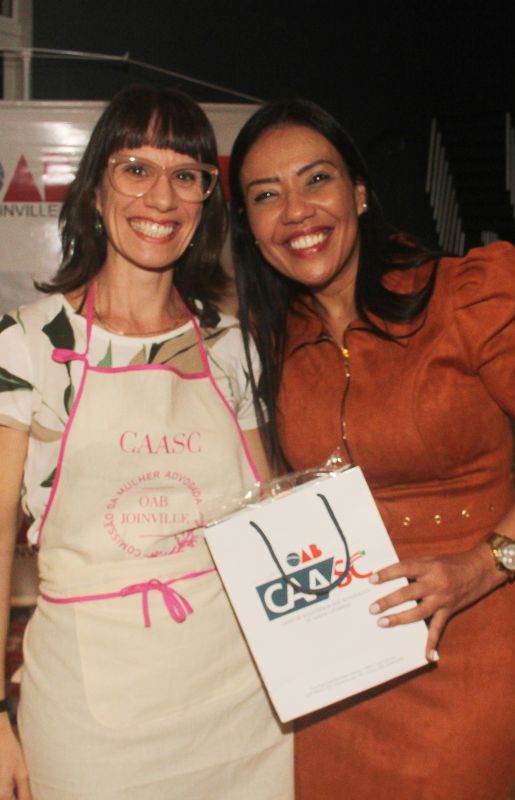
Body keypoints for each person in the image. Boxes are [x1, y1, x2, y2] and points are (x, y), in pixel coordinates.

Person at [228, 96, 515, 800]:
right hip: (337, 658)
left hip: (470, 640)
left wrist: (485, 565)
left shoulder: (463, 297)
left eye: (316, 179)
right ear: (247, 225)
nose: (295, 210)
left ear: (359, 193)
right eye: (266, 195)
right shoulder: (272, 338)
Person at [0, 83, 293, 800]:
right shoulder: (28, 345)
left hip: (244, 702)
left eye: (186, 176)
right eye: (136, 168)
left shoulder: (232, 348)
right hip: (92, 715)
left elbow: (270, 518)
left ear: (206, 203)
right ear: (96, 189)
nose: (162, 197)